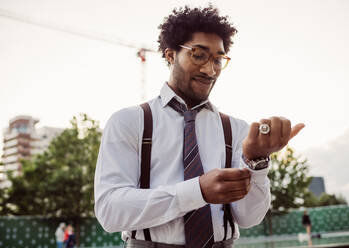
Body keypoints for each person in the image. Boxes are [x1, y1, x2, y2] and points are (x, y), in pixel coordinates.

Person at [94, 5, 305, 248]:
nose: (210, 69)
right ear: (171, 54)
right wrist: (198, 192)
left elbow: (249, 217)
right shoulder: (129, 121)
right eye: (198, 54)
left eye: (218, 59)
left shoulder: (236, 130)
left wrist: (257, 162)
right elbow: (110, 211)